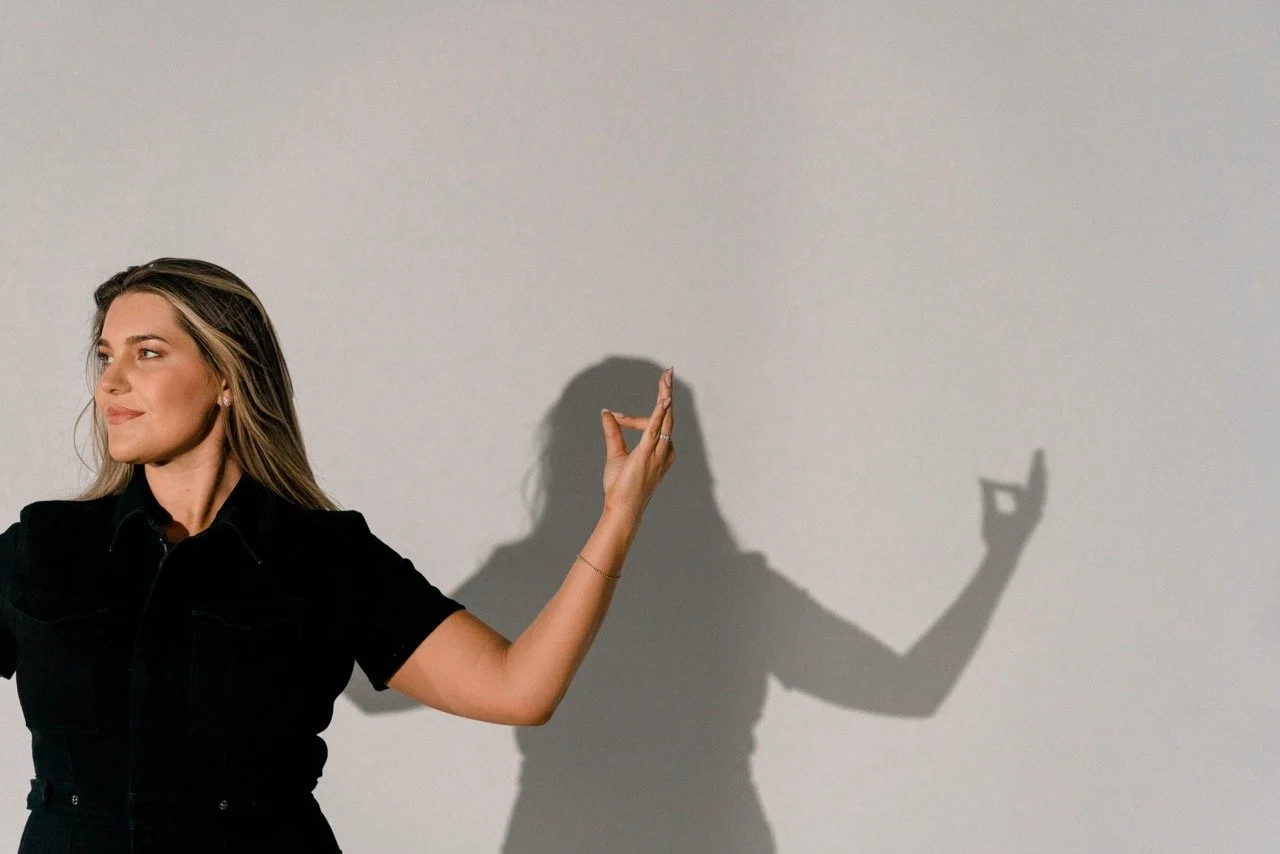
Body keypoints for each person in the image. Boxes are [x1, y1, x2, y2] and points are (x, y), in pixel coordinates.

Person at [0, 258, 676, 853]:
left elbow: (518, 688)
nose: (110, 382)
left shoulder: (324, 556)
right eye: (104, 355)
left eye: (146, 353)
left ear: (226, 376)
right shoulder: (43, 546)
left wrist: (619, 517)